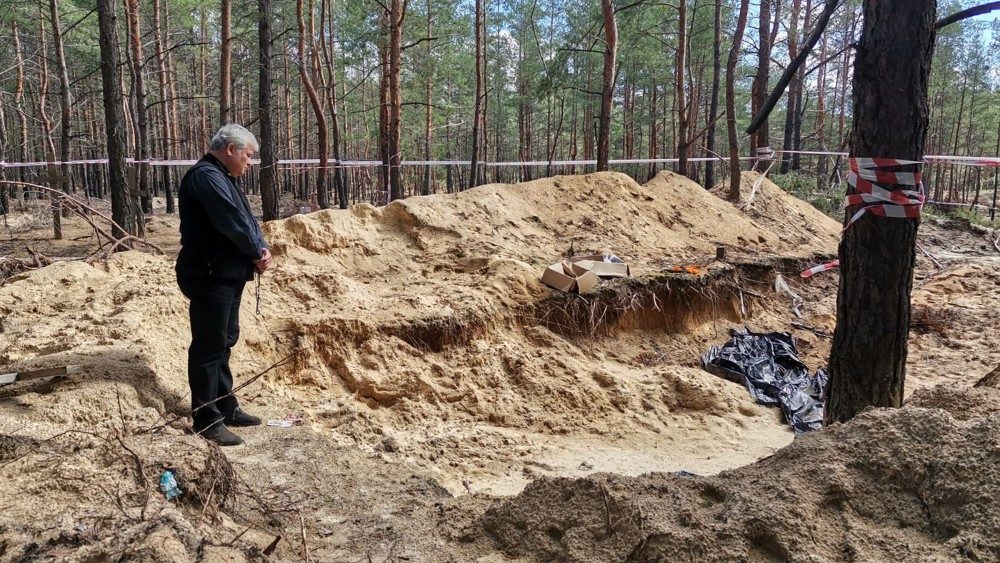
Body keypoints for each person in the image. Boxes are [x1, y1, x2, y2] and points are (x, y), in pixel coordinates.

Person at [176, 124, 273, 446]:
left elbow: (246, 220)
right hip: (209, 275)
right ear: (231, 149)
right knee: (208, 346)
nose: (250, 162)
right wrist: (256, 251)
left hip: (227, 273)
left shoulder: (223, 177)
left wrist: (261, 249)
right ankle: (206, 419)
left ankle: (225, 406)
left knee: (224, 340)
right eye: (248, 155)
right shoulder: (206, 177)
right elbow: (231, 222)